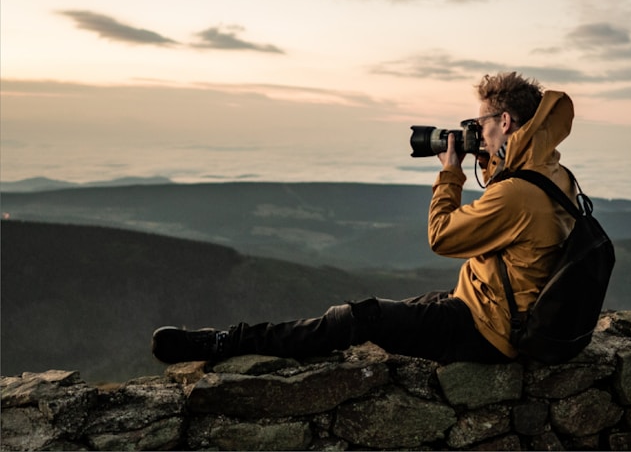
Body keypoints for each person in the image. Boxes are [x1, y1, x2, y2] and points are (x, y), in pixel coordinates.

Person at [151, 72, 577, 365]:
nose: (475, 131)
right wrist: (491, 158)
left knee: (359, 317)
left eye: (480, 122)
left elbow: (442, 237)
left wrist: (451, 171)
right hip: (498, 311)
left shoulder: (517, 194)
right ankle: (236, 338)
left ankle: (226, 342)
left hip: (490, 330)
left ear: (504, 121)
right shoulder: (552, 173)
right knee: (401, 308)